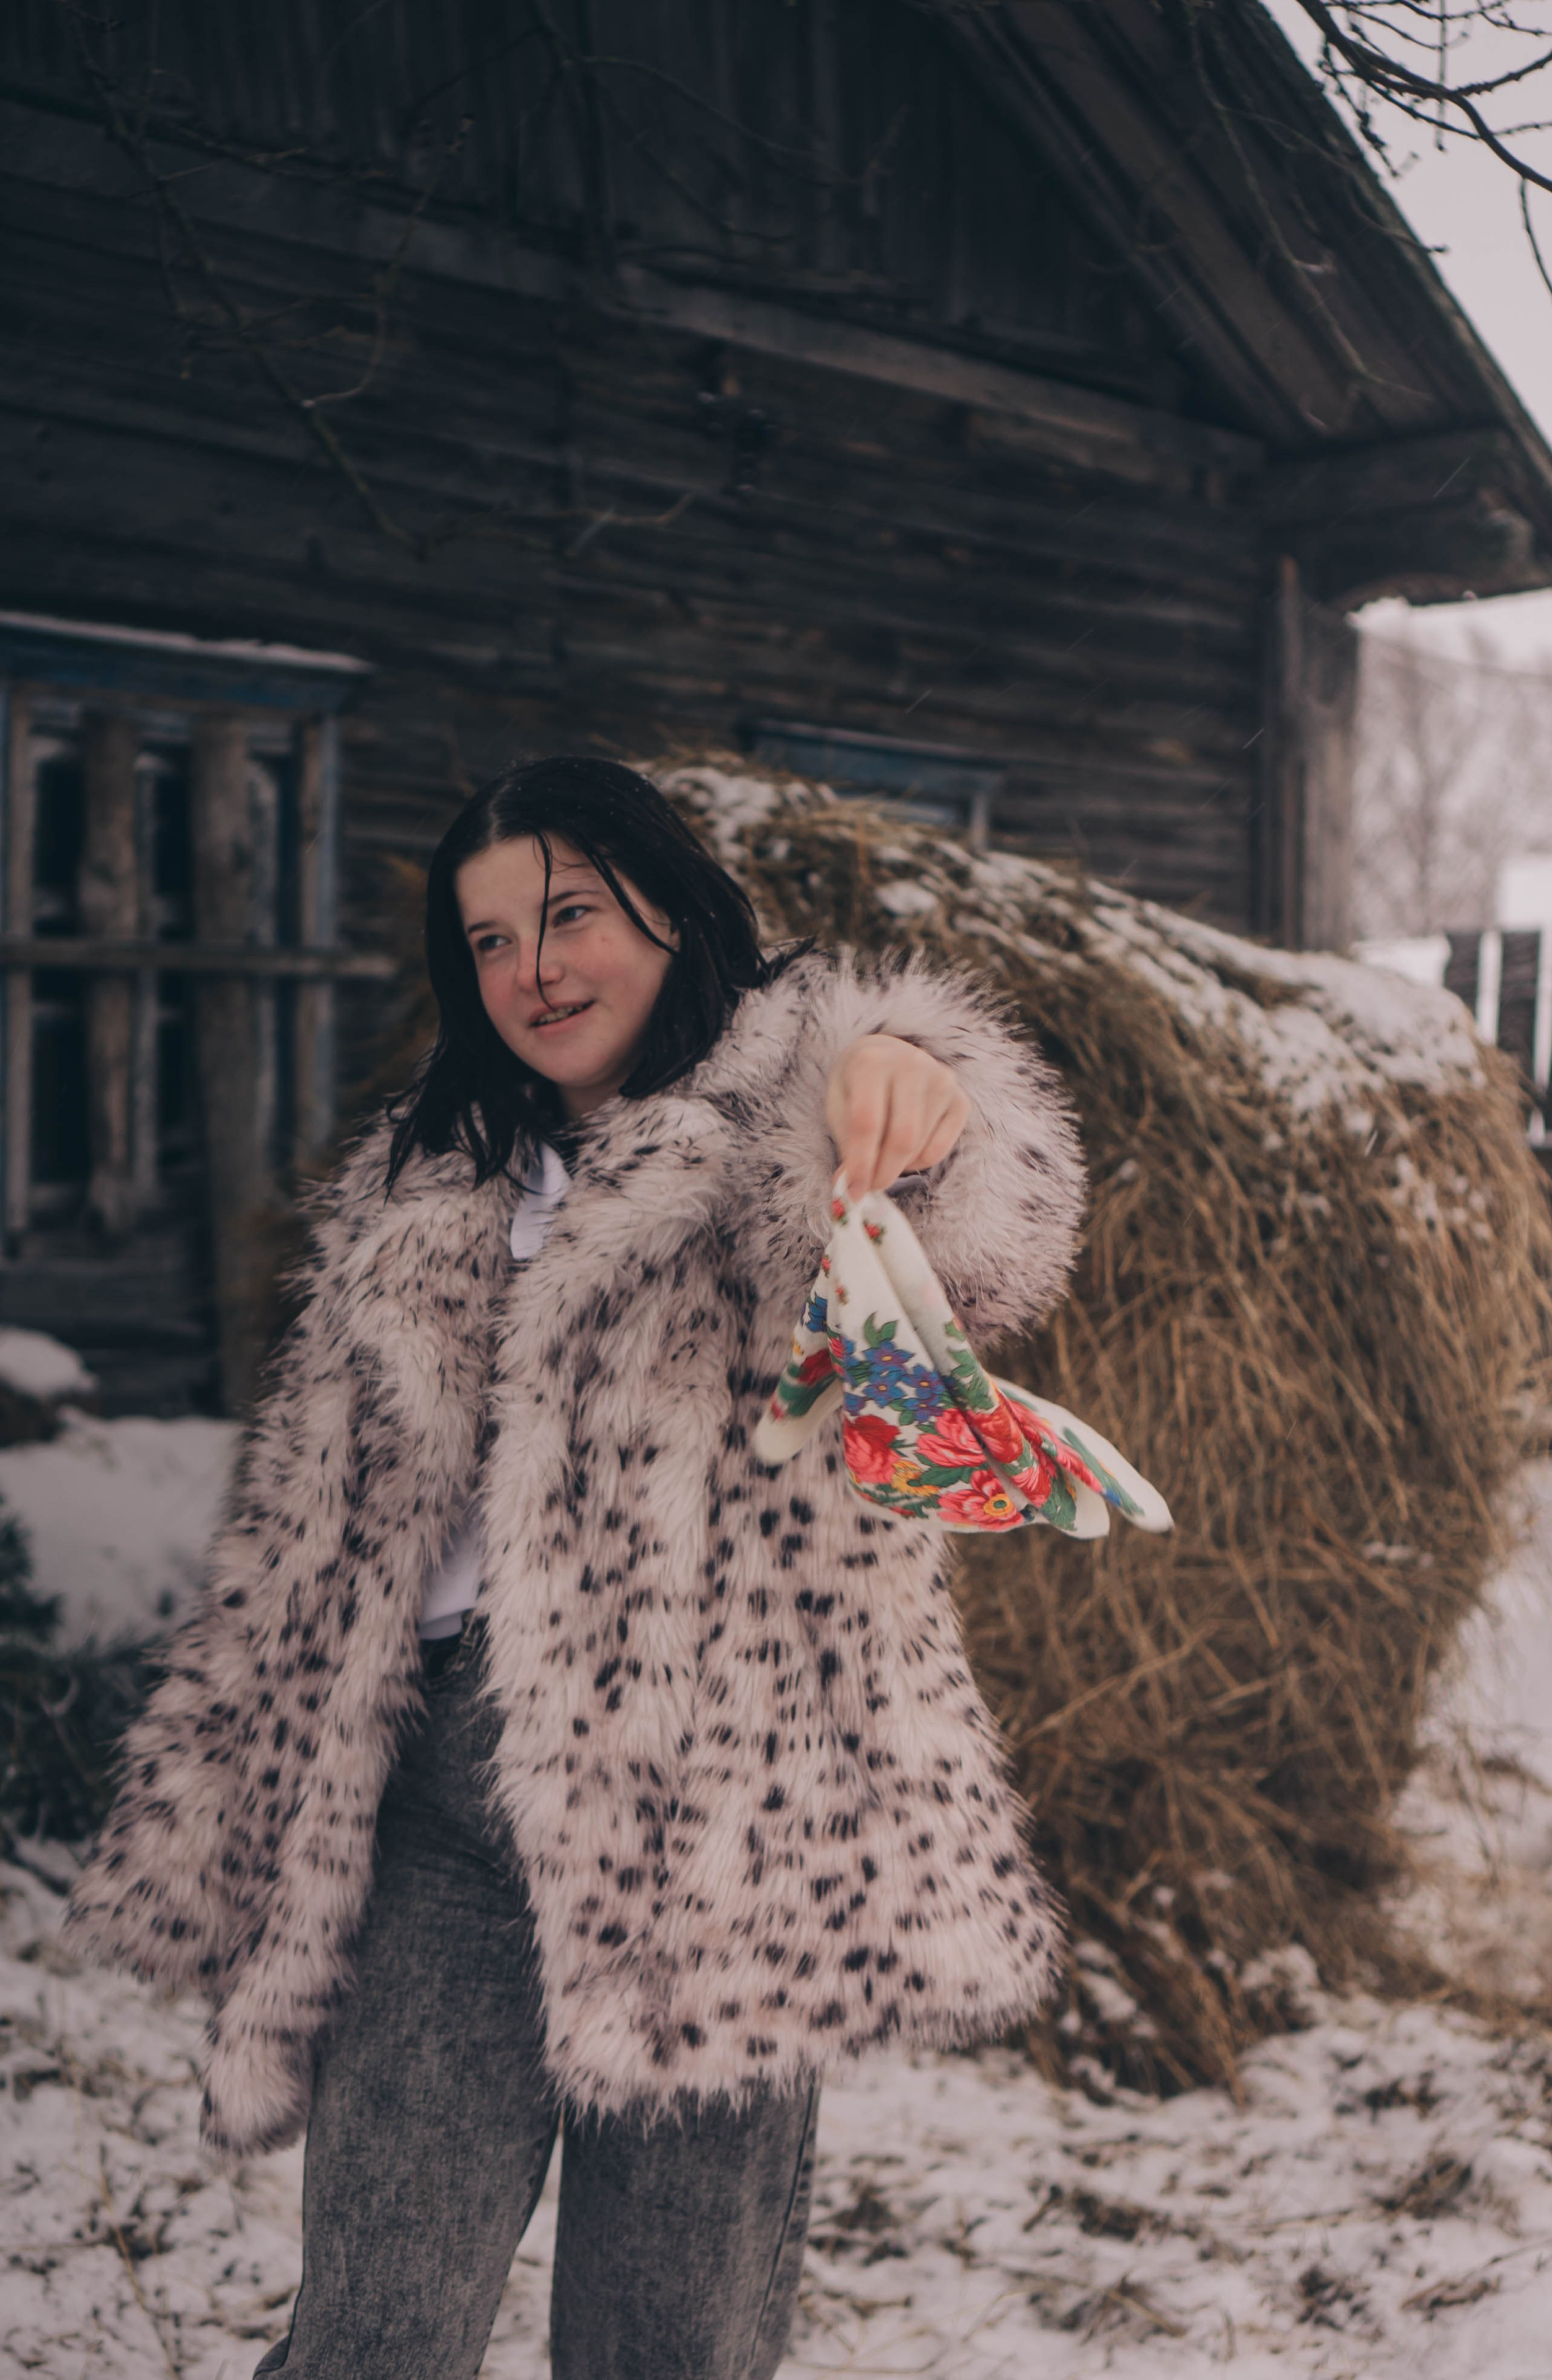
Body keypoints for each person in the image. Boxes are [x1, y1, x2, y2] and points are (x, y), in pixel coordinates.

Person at [63, 757, 1088, 2379]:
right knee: (373, 2331)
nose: (530, 968)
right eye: (485, 942)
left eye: (568, 917)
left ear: (669, 912)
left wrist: (907, 1072)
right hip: (436, 1803)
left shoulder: (790, 1125)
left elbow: (982, 1212)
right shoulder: (430, 1179)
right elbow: (310, 1535)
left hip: (726, 1813)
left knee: (671, 2344)